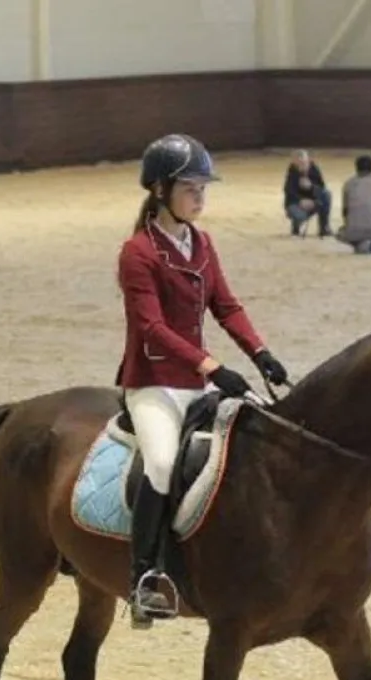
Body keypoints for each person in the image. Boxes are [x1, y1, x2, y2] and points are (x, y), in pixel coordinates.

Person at [116, 134, 290, 628]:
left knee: (259, 436)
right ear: (161, 190)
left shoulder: (202, 242)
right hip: (155, 383)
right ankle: (144, 578)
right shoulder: (138, 253)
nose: (200, 197)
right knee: (164, 464)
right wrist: (212, 367)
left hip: (199, 378)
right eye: (191, 188)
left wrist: (260, 353)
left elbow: (226, 306)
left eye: (202, 188)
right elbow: (151, 326)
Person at [283, 149, 332, 238]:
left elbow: (322, 189)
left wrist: (311, 187)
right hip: (297, 203)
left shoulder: (314, 170)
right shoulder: (292, 172)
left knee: (327, 195)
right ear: (294, 163)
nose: (301, 165)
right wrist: (300, 201)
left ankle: (324, 227)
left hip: (313, 201)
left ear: (308, 160)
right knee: (299, 215)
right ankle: (296, 226)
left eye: (304, 163)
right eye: (298, 163)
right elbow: (288, 191)